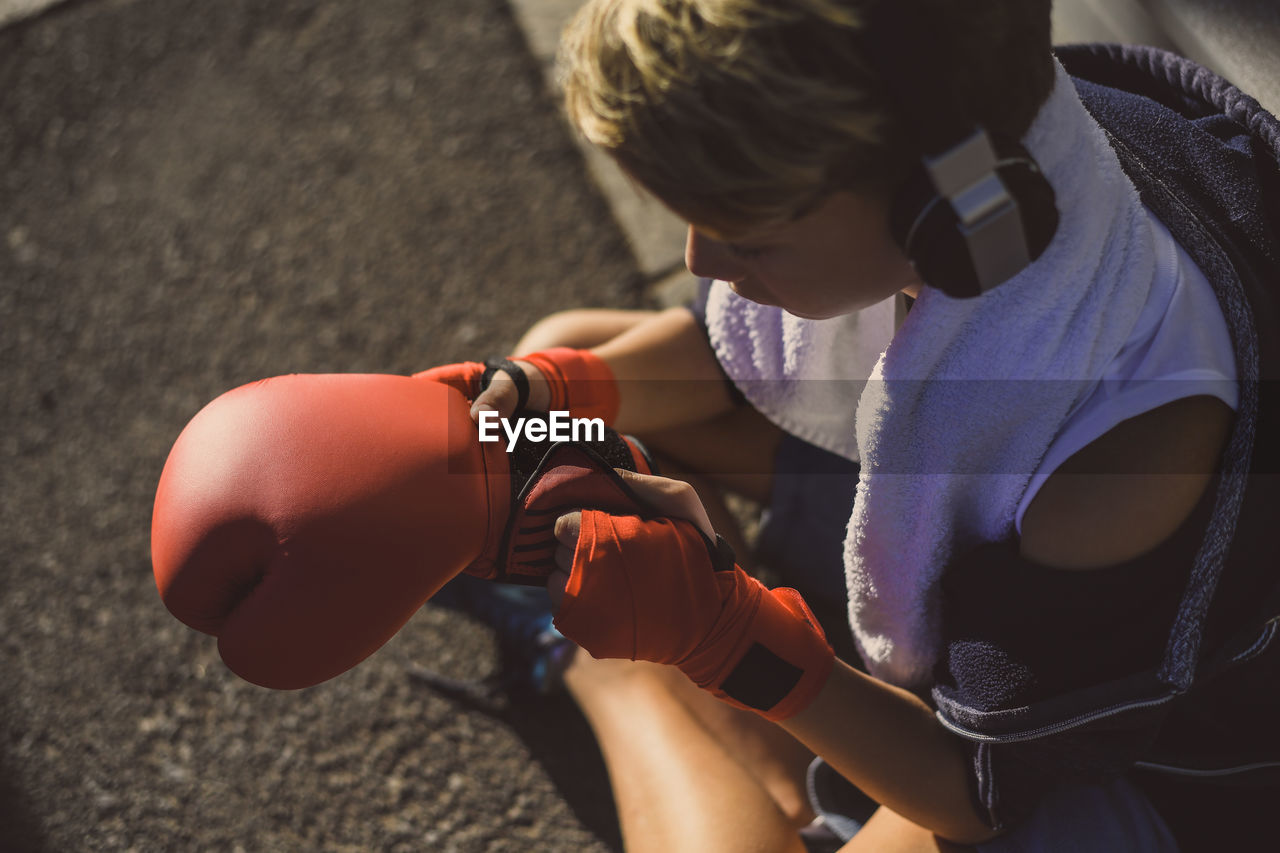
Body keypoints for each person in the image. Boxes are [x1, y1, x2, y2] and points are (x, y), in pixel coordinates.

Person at [436, 1, 1280, 849]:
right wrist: (548, 385)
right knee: (568, 358)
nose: (698, 261)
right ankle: (787, 784)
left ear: (943, 217)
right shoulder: (999, 166)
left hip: (1139, 757)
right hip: (997, 574)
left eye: (749, 241)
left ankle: (599, 668)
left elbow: (976, 788)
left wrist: (718, 630)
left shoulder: (1124, 467)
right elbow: (739, 350)